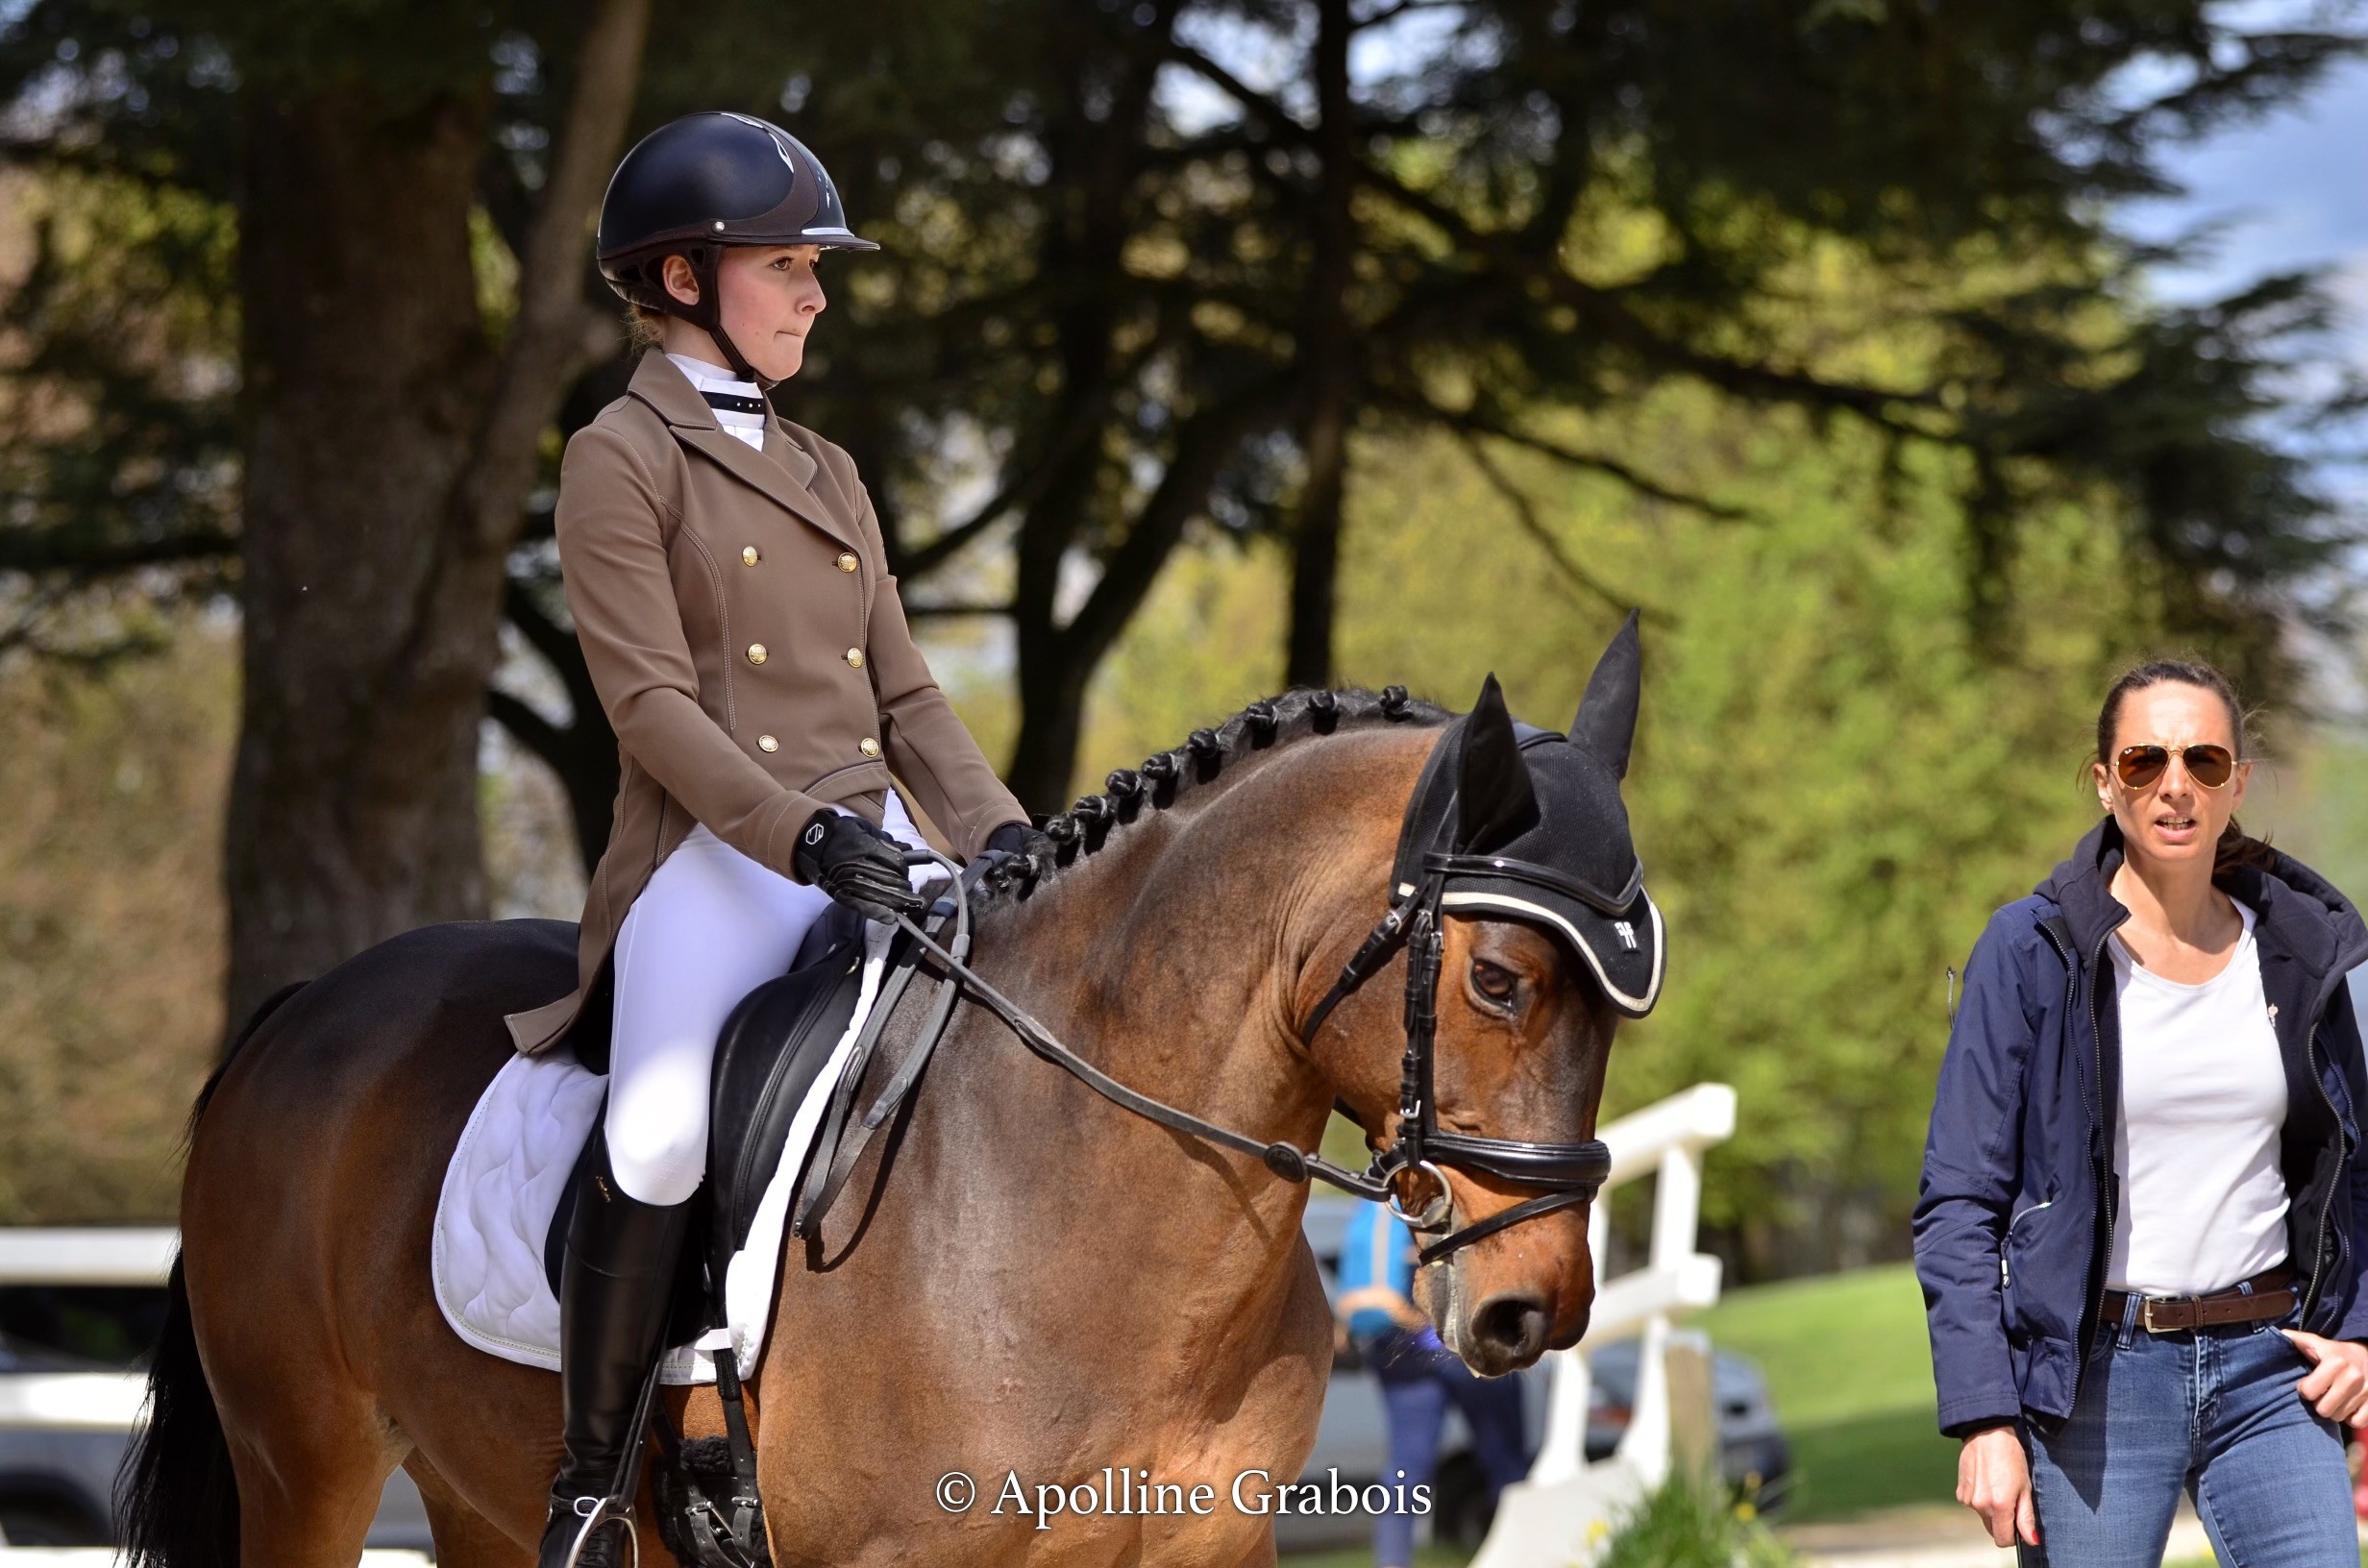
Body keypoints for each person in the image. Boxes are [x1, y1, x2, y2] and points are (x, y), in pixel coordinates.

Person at [497, 111, 1047, 1568]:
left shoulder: (827, 467)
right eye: (788, 266)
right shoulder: (618, 456)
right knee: (661, 1131)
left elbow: (906, 696)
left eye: (814, 269)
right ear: (684, 278)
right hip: (719, 857)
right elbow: (648, 708)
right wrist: (797, 838)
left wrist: (1003, 836)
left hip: (878, 838)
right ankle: (592, 1482)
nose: (815, 295)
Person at [1914, 658, 2368, 1565]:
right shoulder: (2032, 950)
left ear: (2238, 782)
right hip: (2095, 1381)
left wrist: (2359, 1332)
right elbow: (1959, 1200)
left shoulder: (2299, 950)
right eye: (2143, 761)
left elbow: (2353, 1167)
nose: (2175, 785)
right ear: (2103, 782)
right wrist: (1985, 1416)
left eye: (2204, 761)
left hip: (2273, 1373)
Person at [1336, 1201, 1529, 1566]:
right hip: (1456, 1348)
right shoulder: (1444, 1191)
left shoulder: (1374, 1204)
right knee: (1505, 1461)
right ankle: (1523, 1556)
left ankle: (1392, 1563)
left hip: (1399, 1354)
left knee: (1405, 1469)